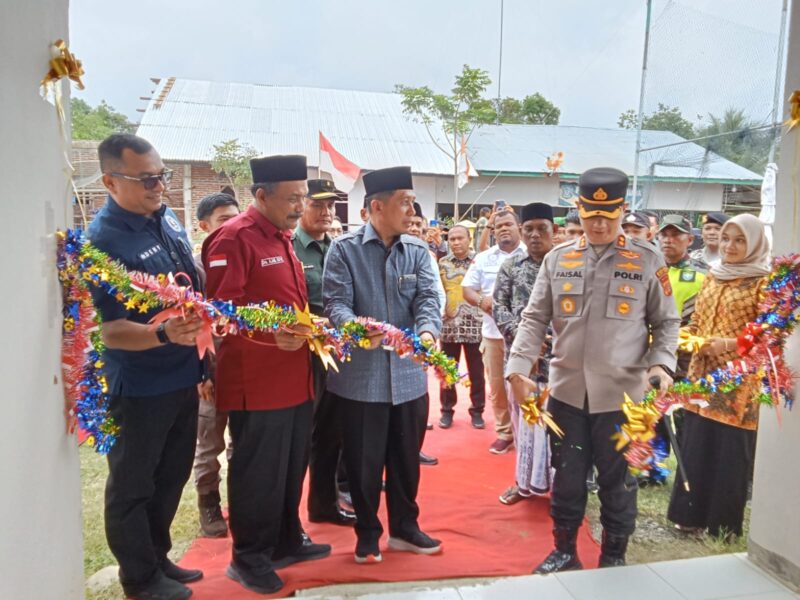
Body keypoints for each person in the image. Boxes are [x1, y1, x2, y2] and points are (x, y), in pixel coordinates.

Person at [507, 167, 679, 572]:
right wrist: (517, 369)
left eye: (609, 215)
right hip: (567, 394)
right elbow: (533, 319)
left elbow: (666, 322)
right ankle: (565, 551)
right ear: (578, 211)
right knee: (566, 479)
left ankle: (614, 557)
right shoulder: (557, 259)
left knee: (617, 483)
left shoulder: (646, 259)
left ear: (622, 212)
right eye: (590, 215)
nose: (599, 224)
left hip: (623, 398)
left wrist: (661, 363)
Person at [203, 155, 331, 595]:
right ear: (261, 195)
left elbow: (287, 300)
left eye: (302, 197)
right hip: (255, 382)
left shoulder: (281, 236)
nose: (300, 205)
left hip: (294, 376)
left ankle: (284, 540)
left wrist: (315, 326)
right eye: (292, 197)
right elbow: (221, 310)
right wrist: (271, 330)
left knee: (292, 464)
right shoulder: (233, 238)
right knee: (257, 472)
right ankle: (249, 557)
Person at [89, 133, 205, 600]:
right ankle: (138, 579)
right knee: (133, 484)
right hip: (140, 385)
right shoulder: (102, 241)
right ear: (110, 181)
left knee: (171, 475)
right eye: (148, 179)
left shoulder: (165, 217)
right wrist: (160, 334)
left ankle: (157, 558)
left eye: (163, 176)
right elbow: (108, 330)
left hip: (182, 375)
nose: (160, 186)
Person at [323, 166, 443, 564]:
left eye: (412, 202)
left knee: (407, 459)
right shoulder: (344, 250)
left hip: (409, 377)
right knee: (363, 462)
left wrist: (426, 331)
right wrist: (354, 326)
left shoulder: (418, 250)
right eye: (404, 202)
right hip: (361, 380)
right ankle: (368, 533)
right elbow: (336, 303)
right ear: (377, 206)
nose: (411, 210)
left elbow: (428, 298)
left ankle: (406, 529)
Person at [667, 213, 770, 539]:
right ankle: (688, 516)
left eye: (740, 240)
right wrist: (682, 338)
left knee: (729, 452)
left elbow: (769, 337)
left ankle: (722, 525)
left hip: (737, 384)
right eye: (726, 239)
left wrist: (726, 344)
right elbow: (697, 322)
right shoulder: (712, 276)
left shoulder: (763, 283)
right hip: (700, 375)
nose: (730, 246)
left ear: (754, 243)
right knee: (696, 444)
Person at [293, 178, 357, 527]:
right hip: (300, 354)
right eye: (318, 204)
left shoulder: (338, 248)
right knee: (300, 436)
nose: (326, 212)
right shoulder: (290, 247)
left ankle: (324, 503)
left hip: (336, 354)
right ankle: (289, 513)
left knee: (332, 432)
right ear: (301, 205)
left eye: (330, 205)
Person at [493, 203, 557, 505]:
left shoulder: (565, 265)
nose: (534, 235)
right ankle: (525, 483)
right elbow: (498, 307)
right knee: (525, 425)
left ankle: (560, 489)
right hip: (521, 364)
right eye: (528, 229)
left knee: (557, 427)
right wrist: (521, 335)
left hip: (560, 364)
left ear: (553, 231)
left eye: (541, 228)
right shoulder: (510, 267)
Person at [192, 192, 240, 539]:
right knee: (210, 442)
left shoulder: (243, 259)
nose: (233, 227)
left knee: (243, 438)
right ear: (203, 226)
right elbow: (192, 327)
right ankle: (208, 502)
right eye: (225, 220)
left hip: (243, 368)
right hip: (210, 369)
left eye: (237, 219)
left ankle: (240, 500)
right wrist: (202, 373)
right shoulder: (194, 269)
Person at [463, 210, 526, 455]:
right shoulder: (484, 258)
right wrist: (481, 302)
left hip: (525, 335)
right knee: (498, 387)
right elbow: (468, 289)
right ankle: (504, 432)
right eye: (498, 226)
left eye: (508, 224)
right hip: (493, 334)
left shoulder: (533, 254)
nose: (503, 229)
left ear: (518, 226)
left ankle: (527, 433)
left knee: (526, 384)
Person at [437, 224, 486, 429]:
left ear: (469, 239)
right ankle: (447, 410)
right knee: (447, 371)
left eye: (460, 238)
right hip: (449, 327)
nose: (456, 242)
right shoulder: (442, 263)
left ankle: (477, 410)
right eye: (452, 239)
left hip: (475, 326)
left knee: (477, 372)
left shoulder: (479, 261)